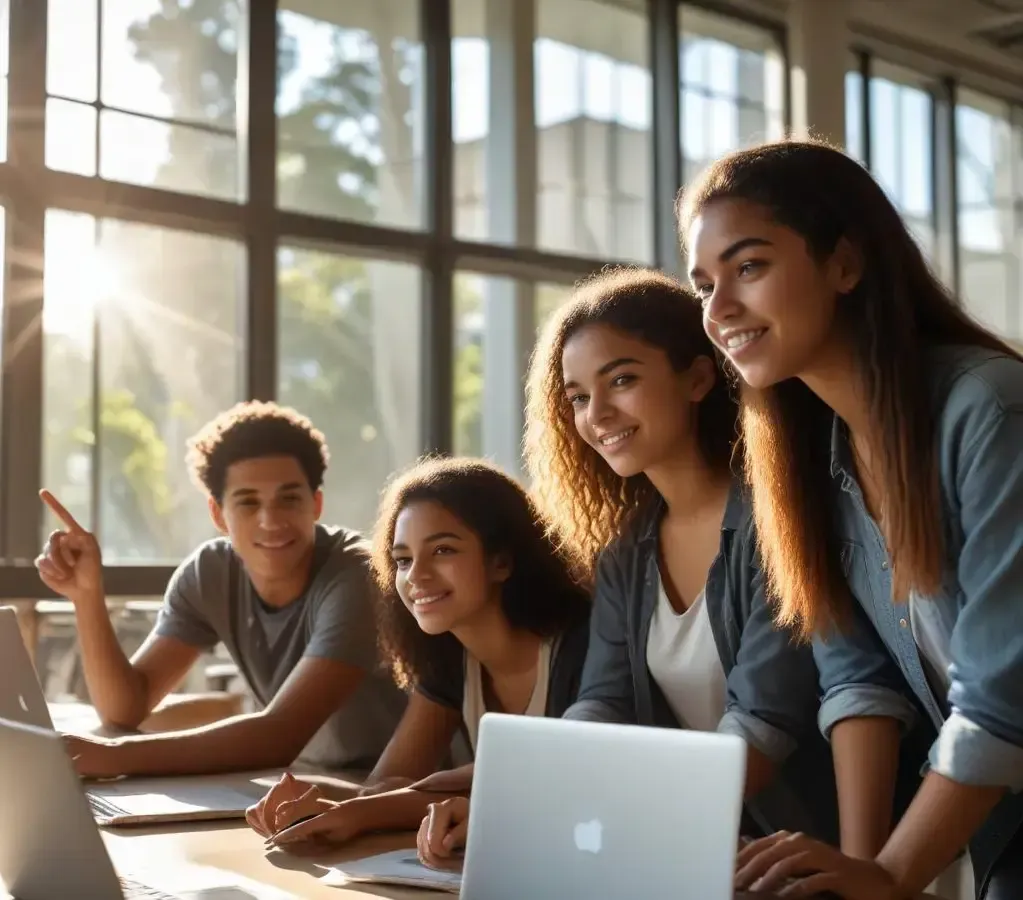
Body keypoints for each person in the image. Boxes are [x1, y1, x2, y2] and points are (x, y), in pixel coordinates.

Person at [680, 138, 1023, 899]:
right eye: (703, 284)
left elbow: (1003, 696)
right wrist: (857, 875)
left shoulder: (989, 409)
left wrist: (891, 876)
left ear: (843, 263)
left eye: (748, 267)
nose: (718, 310)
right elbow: (858, 676)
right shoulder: (807, 466)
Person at [34, 401, 406, 779]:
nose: (270, 520)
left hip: (394, 792)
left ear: (316, 504)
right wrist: (86, 596)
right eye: (248, 502)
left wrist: (113, 756)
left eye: (289, 499)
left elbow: (279, 736)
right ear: (217, 514)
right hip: (303, 780)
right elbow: (124, 710)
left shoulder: (359, 574)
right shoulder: (210, 574)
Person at [252, 456, 591, 849]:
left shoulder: (579, 649)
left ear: (502, 560)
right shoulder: (451, 653)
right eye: (403, 560)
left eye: (443, 550)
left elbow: (546, 794)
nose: (416, 576)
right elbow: (391, 782)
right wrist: (311, 797)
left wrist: (359, 813)